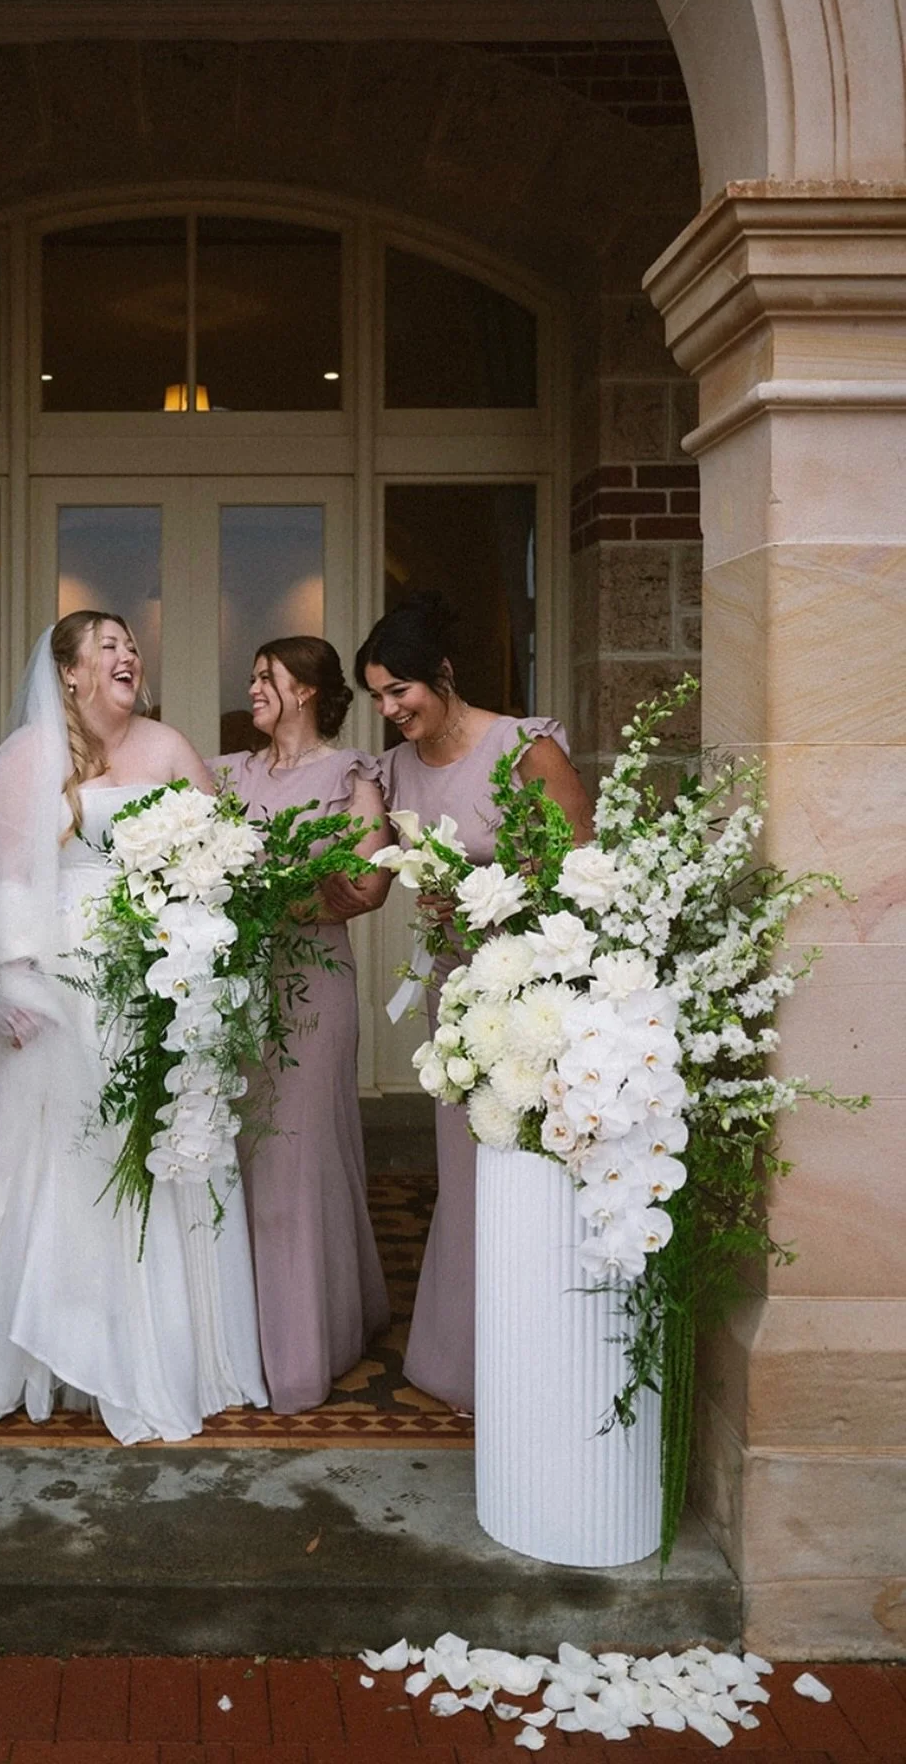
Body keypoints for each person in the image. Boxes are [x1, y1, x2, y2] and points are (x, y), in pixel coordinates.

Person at [0, 611, 267, 1442]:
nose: (129, 656)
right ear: (67, 672)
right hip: (59, 984)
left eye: (132, 646)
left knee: (152, 1139)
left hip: (156, 972)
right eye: (109, 647)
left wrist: (200, 923)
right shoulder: (25, 759)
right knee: (63, 1153)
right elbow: (6, 882)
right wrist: (14, 981)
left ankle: (165, 1352)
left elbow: (232, 851)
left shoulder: (166, 747)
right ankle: (55, 1352)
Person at [353, 592, 592, 1414]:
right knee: (464, 1169)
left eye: (399, 692)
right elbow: (362, 878)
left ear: (441, 676)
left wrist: (494, 897)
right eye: (377, 697)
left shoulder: (522, 749)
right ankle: (465, 1362)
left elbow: (581, 867)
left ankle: (538, 1354)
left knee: (528, 1166)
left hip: (530, 992)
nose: (390, 712)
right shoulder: (394, 771)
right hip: (454, 994)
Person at [214, 637, 393, 1413]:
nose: (253, 688)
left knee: (298, 1157)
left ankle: (299, 1351)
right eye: (254, 677)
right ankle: (233, 1338)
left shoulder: (354, 775)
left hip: (313, 984)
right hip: (230, 990)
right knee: (239, 1153)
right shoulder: (228, 774)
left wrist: (270, 903)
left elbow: (367, 883)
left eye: (268, 678)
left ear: (310, 690)